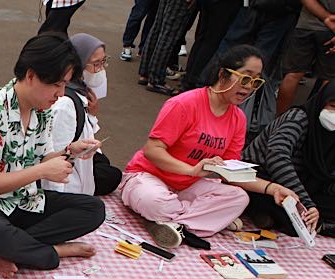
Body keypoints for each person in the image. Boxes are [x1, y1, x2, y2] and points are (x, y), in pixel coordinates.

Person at [0, 33, 105, 278]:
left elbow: (39, 159)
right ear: (31, 76)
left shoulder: (43, 110)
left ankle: (9, 249)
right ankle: (52, 251)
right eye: (56, 84)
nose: (61, 94)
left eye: (64, 85)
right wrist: (42, 171)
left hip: (21, 199)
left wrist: (69, 152)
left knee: (94, 209)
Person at [120, 45, 303, 249]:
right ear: (223, 73)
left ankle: (170, 223)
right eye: (245, 78)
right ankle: (188, 221)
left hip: (187, 186)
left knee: (239, 199)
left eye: (256, 81)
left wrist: (273, 188)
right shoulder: (184, 104)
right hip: (148, 176)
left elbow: (231, 172)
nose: (249, 86)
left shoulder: (238, 119)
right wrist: (192, 170)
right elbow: (152, 150)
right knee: (155, 201)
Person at [242, 82, 334, 236]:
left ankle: (319, 223)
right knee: (294, 220)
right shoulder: (298, 118)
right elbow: (277, 157)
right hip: (266, 181)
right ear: (321, 102)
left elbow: (328, 176)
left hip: (304, 186)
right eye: (332, 106)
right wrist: (306, 202)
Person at [46, 33, 121, 196]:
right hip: (64, 181)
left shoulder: (82, 93)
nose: (101, 69)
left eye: (103, 61)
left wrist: (91, 115)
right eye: (96, 64)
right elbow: (56, 160)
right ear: (77, 65)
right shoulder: (65, 104)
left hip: (75, 170)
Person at [276, 0, 335, 114]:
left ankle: (278, 122)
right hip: (329, 30)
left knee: (292, 75)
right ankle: (316, 124)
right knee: (329, 80)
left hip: (306, 25)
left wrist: (325, 17)